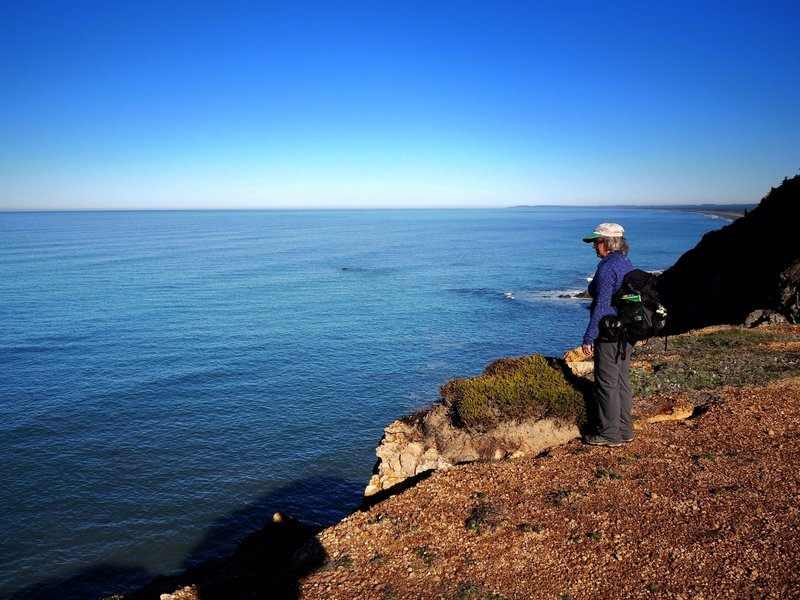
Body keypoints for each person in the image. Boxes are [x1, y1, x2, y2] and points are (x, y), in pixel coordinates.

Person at [581, 223, 634, 447]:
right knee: (621, 380)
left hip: (609, 332)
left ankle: (609, 434)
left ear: (608, 243)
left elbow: (601, 304)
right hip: (627, 331)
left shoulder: (606, 268)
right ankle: (625, 429)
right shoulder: (625, 263)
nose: (594, 246)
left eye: (597, 242)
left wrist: (589, 337)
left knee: (606, 383)